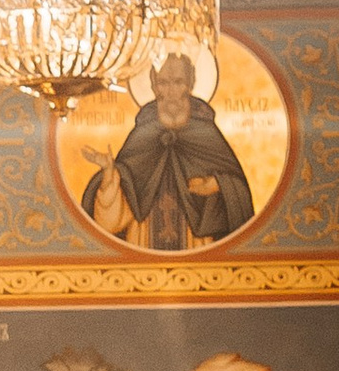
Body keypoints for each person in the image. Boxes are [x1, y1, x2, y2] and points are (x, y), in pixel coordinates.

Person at [82, 54, 257, 253]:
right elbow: (121, 202)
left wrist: (217, 184)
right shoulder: (144, 134)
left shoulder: (205, 133)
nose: (171, 91)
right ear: (154, 87)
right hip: (143, 240)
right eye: (163, 83)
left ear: (190, 85)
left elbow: (239, 190)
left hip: (196, 243)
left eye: (178, 82)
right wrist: (109, 172)